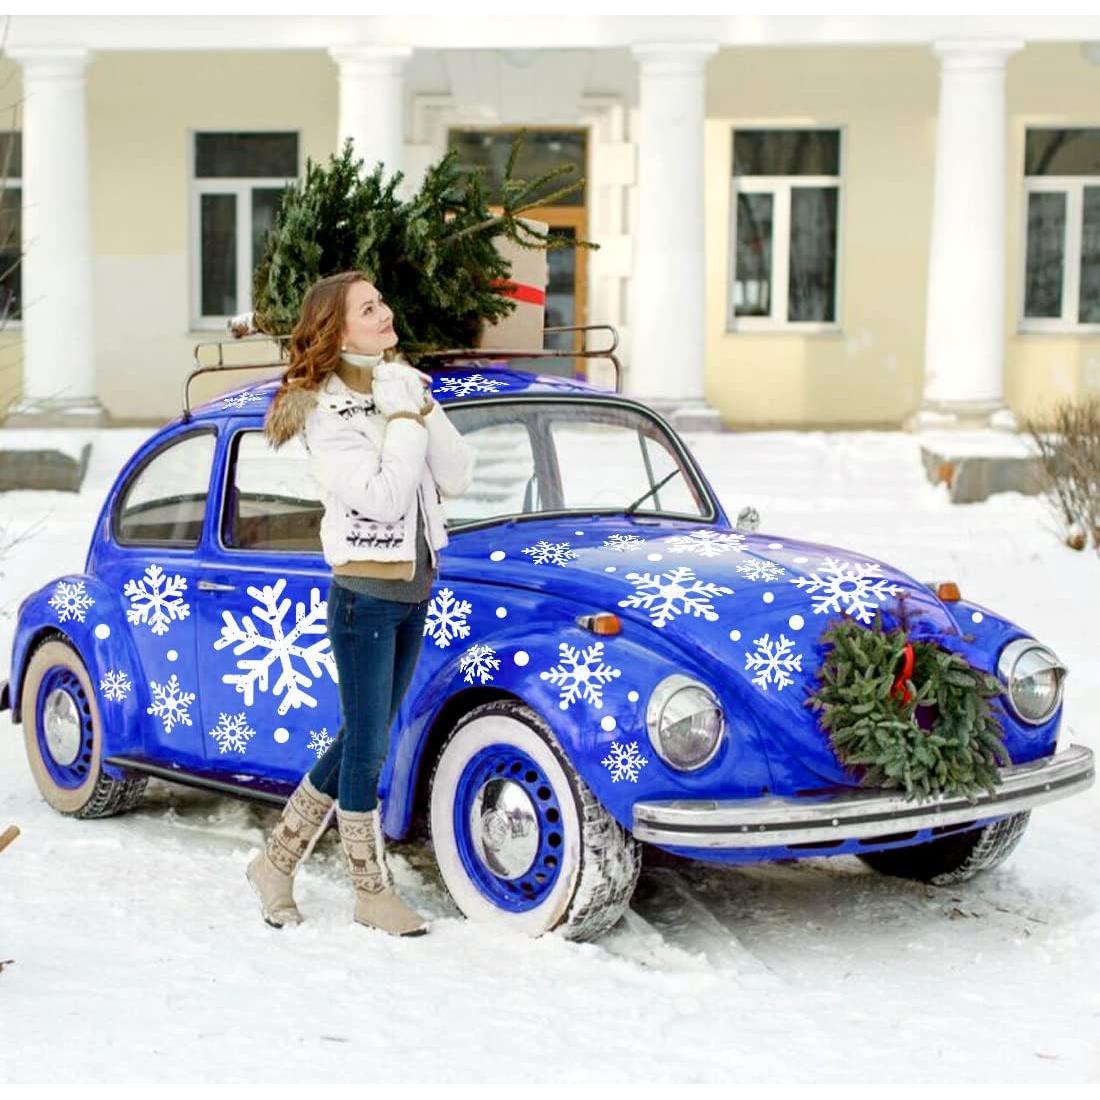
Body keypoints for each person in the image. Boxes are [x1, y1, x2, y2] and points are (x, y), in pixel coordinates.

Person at [246, 270, 474, 937]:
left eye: (382, 300)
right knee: (368, 746)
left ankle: (276, 861)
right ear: (338, 329)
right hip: (365, 599)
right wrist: (403, 418)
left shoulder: (402, 383)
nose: (385, 311)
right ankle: (370, 891)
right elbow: (383, 497)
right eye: (368, 307)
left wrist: (421, 407)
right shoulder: (323, 410)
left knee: (359, 736)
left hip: (414, 588)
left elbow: (456, 476)